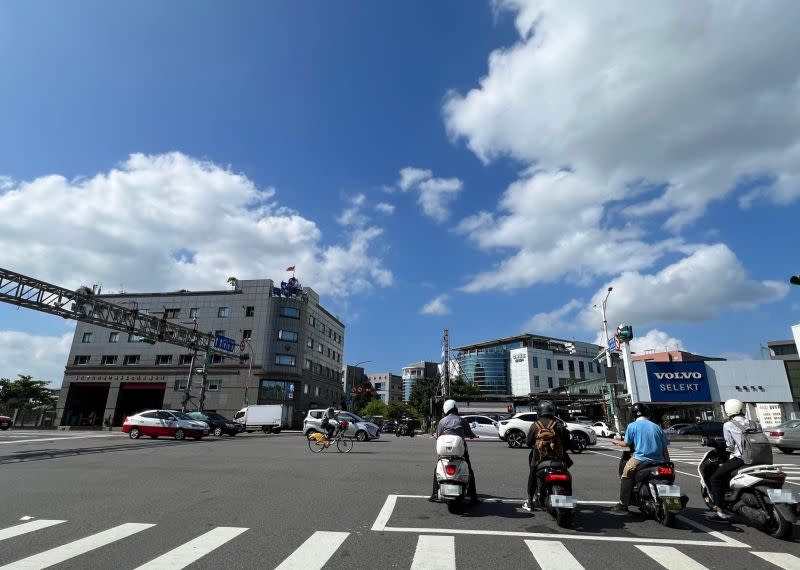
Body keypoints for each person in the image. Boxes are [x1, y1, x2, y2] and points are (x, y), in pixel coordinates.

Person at [611, 402, 670, 513]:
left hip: (641, 459)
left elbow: (626, 444)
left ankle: (623, 504)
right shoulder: (657, 427)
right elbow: (664, 448)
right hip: (659, 460)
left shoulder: (632, 426)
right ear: (647, 413)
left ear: (633, 414)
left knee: (626, 474)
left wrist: (615, 441)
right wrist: (667, 462)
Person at [522, 400, 573, 511]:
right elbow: (568, 444)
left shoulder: (535, 425)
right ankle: (567, 501)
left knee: (532, 475)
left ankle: (530, 501)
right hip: (559, 459)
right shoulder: (559, 424)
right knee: (567, 475)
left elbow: (529, 443)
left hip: (539, 459)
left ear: (539, 412)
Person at [429, 399, 479, 503]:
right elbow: (469, 433)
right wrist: (473, 436)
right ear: (455, 408)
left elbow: (438, 436)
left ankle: (434, 494)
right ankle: (473, 496)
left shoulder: (442, 421)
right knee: (469, 470)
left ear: (445, 409)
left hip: (445, 452)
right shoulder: (462, 420)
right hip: (460, 450)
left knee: (437, 468)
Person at [710, 398, 749, 521]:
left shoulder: (728, 425)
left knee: (715, 478)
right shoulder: (754, 423)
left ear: (728, 411)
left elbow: (730, 446)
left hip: (742, 458)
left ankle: (720, 511)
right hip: (762, 458)